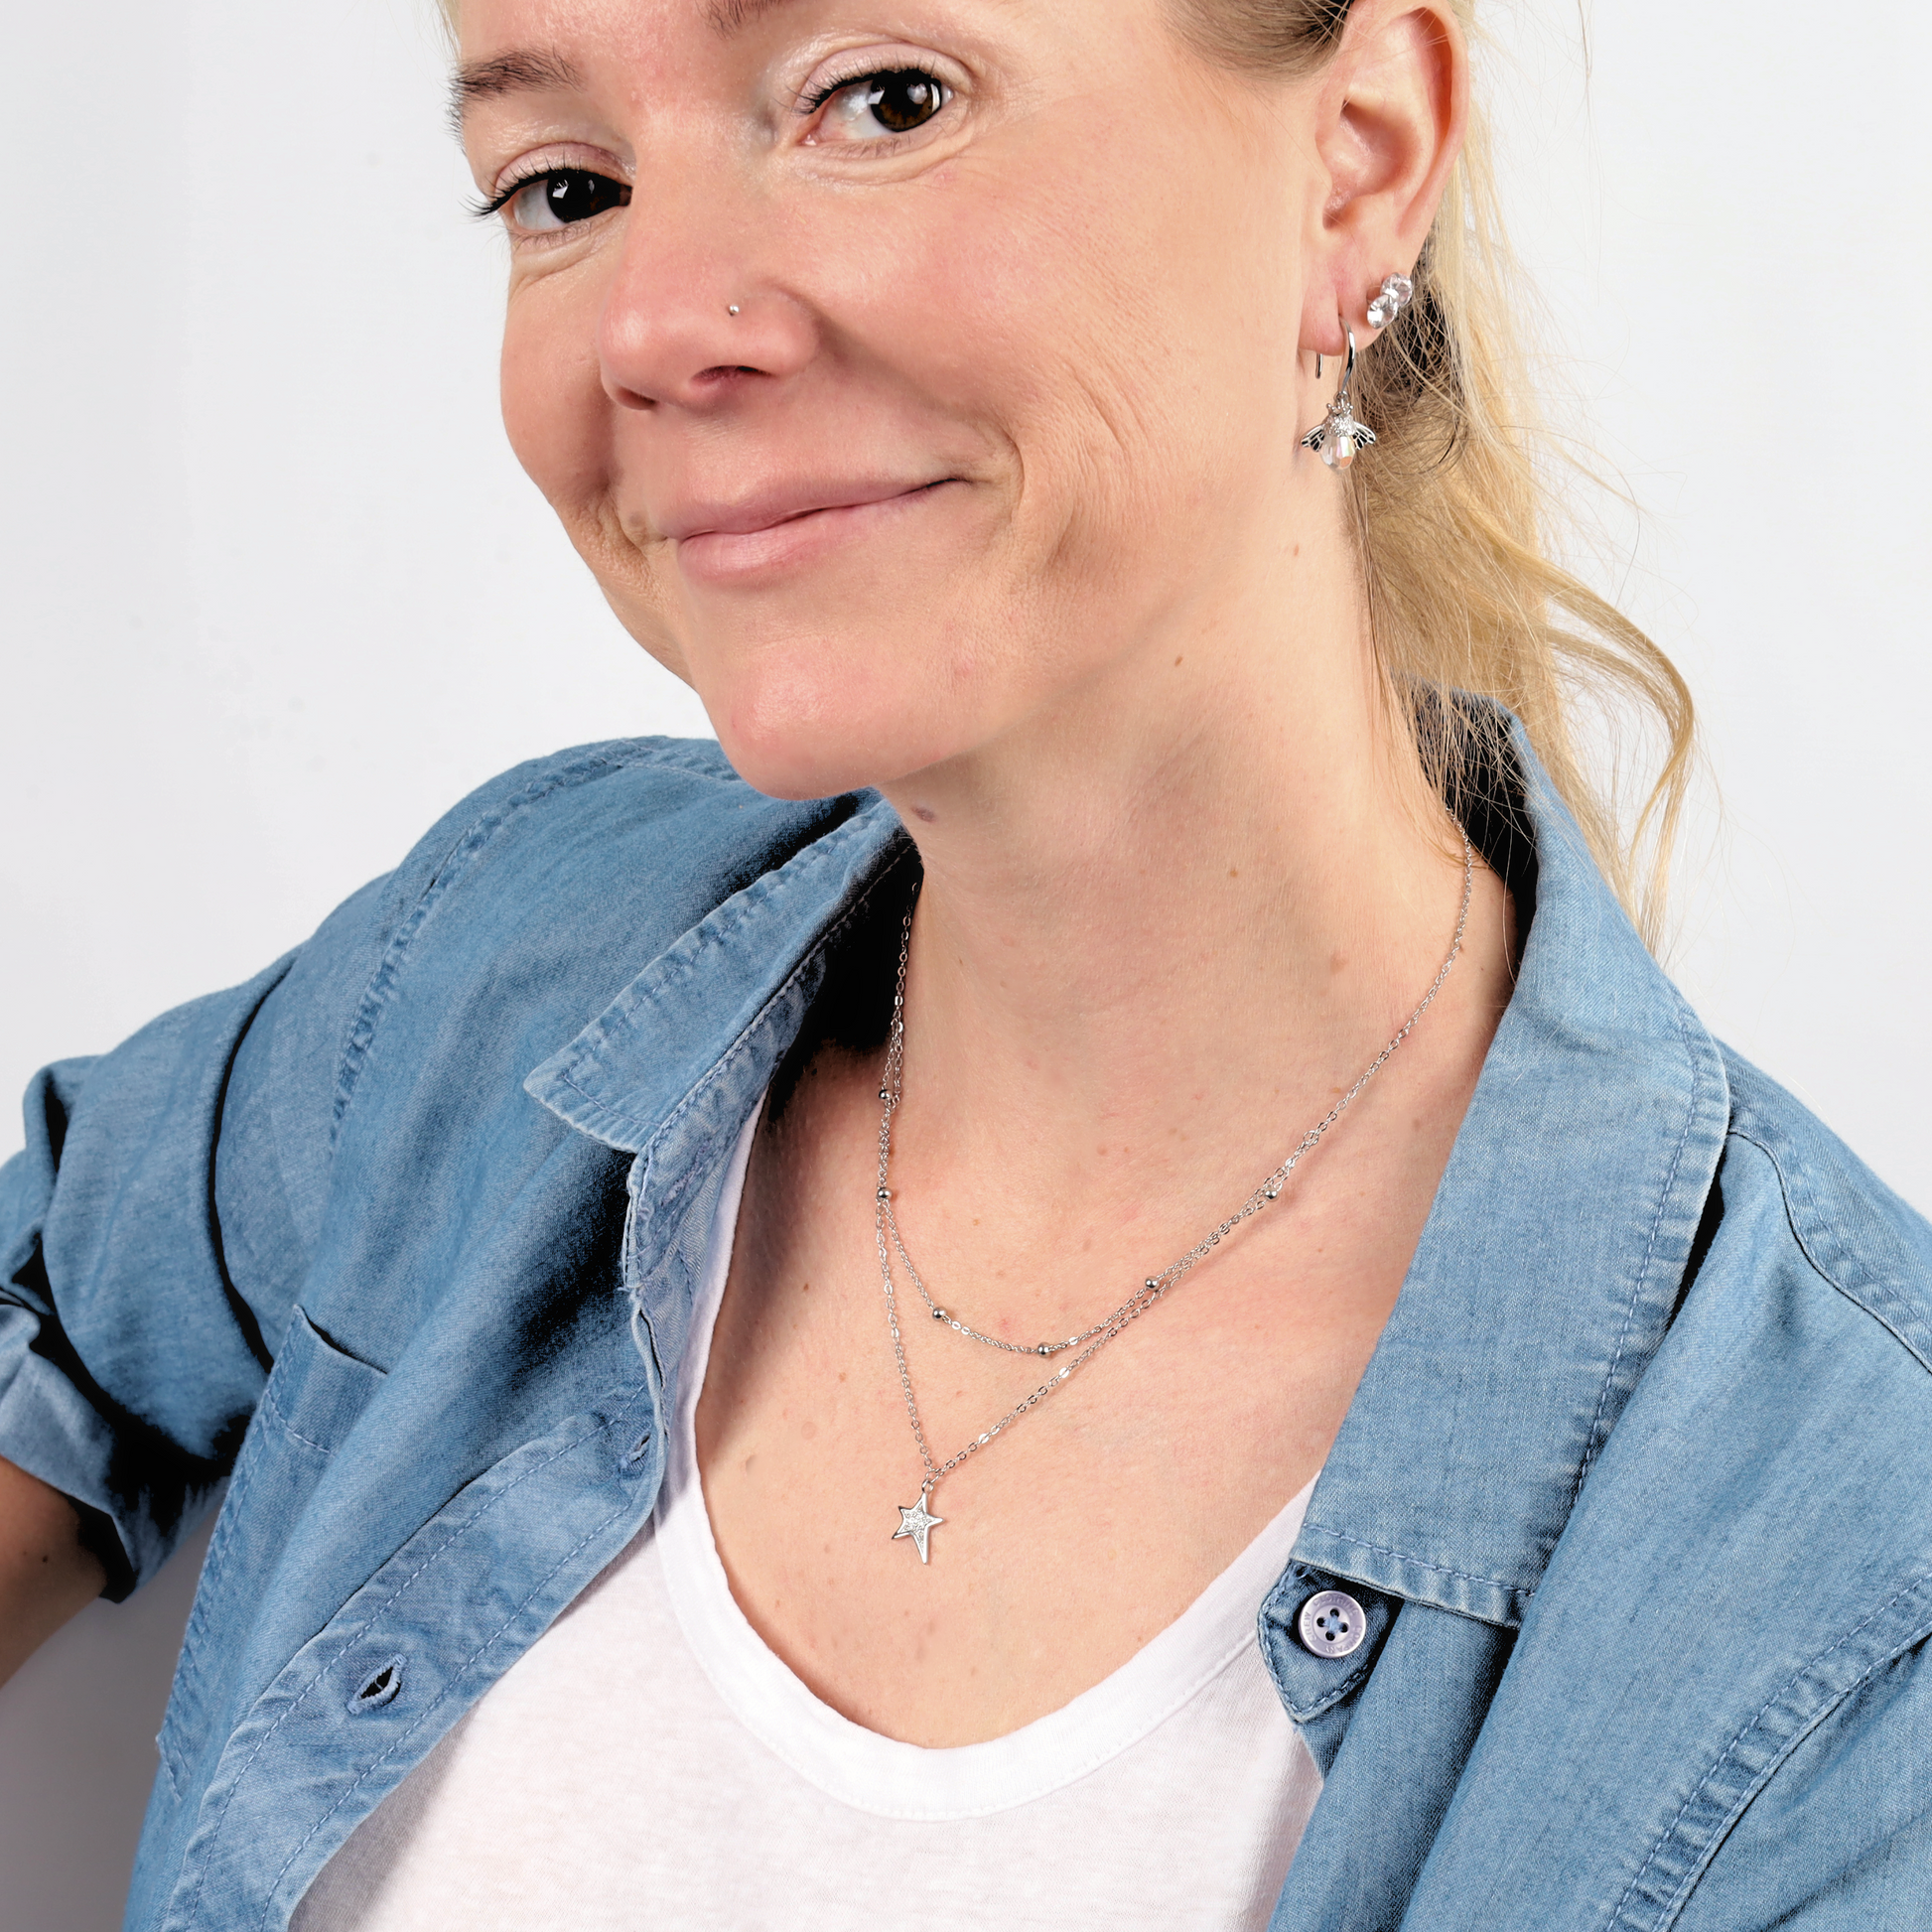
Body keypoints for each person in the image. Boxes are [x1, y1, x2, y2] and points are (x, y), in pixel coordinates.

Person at [3, 0, 1928, 1925]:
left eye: (881, 98)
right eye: (564, 185)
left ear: (1355, 158)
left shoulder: (1845, 1612)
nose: (656, 325)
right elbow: (64, 1310)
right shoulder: (509, 954)